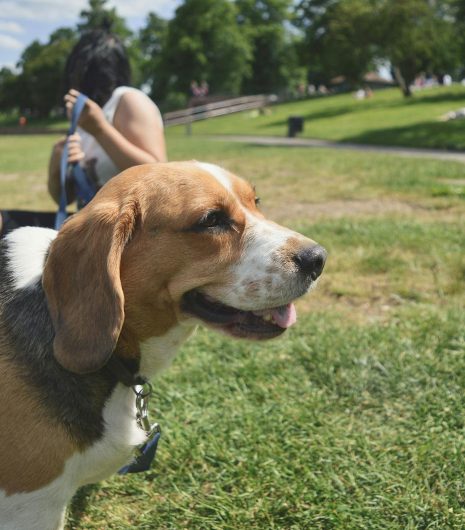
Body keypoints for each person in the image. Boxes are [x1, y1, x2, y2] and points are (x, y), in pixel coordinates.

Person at [0, 28, 166, 237]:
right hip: (91, 231)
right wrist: (56, 165)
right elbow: (66, 197)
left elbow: (157, 174)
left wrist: (100, 129)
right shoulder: (86, 116)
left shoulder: (127, 99)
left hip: (130, 235)